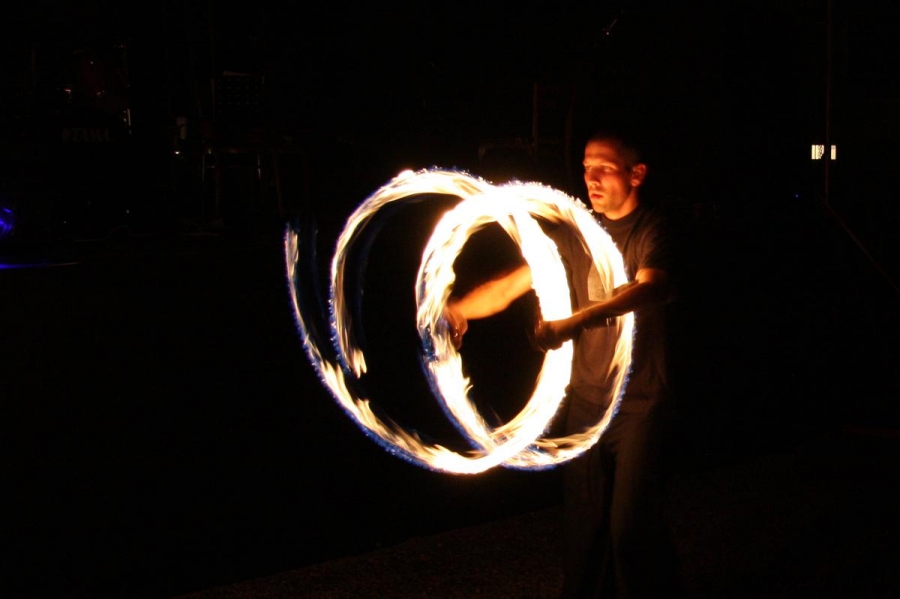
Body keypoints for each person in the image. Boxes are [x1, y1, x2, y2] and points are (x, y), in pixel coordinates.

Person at [443, 128, 684, 598]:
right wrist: (458, 309)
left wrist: (576, 321)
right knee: (583, 533)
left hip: (641, 405)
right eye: (586, 167)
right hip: (588, 404)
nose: (590, 179)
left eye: (604, 168)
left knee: (630, 529)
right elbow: (512, 284)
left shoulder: (652, 230)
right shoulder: (576, 234)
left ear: (636, 174)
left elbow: (651, 287)